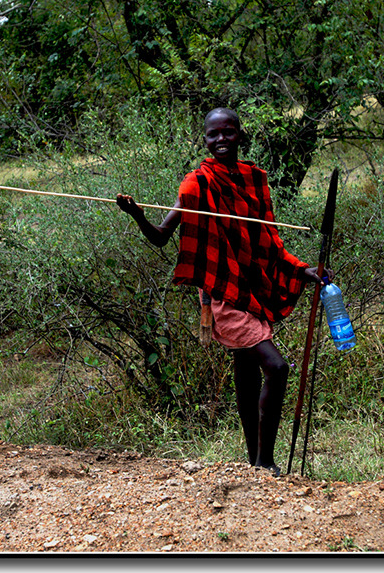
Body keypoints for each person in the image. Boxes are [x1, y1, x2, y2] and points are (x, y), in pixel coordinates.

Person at [116, 107, 323, 476]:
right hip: (222, 295)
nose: (221, 140)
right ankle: (266, 461)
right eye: (213, 135)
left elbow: (269, 242)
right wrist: (137, 215)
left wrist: (303, 270)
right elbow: (162, 237)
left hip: (251, 288)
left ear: (240, 136)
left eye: (228, 132)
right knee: (276, 367)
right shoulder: (197, 184)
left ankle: (253, 463)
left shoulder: (255, 180)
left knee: (247, 375)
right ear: (205, 140)